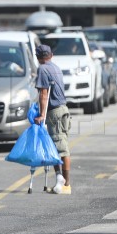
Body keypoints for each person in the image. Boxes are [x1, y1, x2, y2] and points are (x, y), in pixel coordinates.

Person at [33, 44, 72, 194]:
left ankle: (66, 185)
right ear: (51, 55)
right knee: (56, 147)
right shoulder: (55, 67)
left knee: (61, 148)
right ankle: (60, 180)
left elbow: (44, 94)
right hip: (63, 109)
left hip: (54, 111)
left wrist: (42, 114)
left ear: (38, 57)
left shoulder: (42, 69)